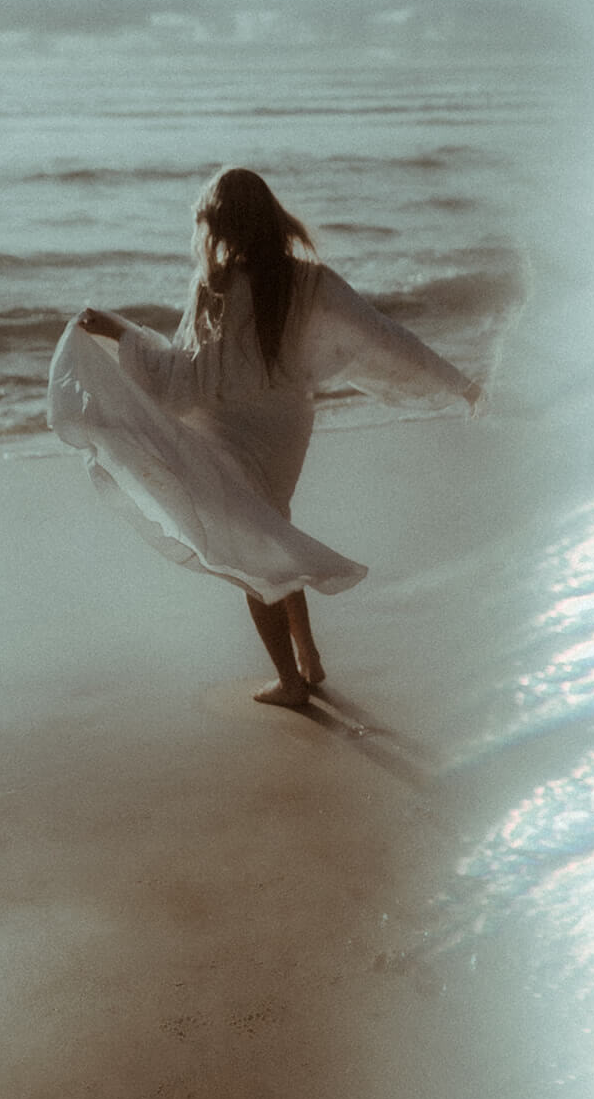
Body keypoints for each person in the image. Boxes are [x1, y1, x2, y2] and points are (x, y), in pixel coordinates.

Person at [48, 166, 482, 708]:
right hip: (287, 427)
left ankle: (292, 683)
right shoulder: (311, 279)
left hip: (232, 427)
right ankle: (310, 658)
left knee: (254, 550)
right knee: (270, 526)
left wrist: (118, 335)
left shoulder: (218, 284)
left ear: (223, 226)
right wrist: (458, 385)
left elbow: (188, 378)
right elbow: (383, 335)